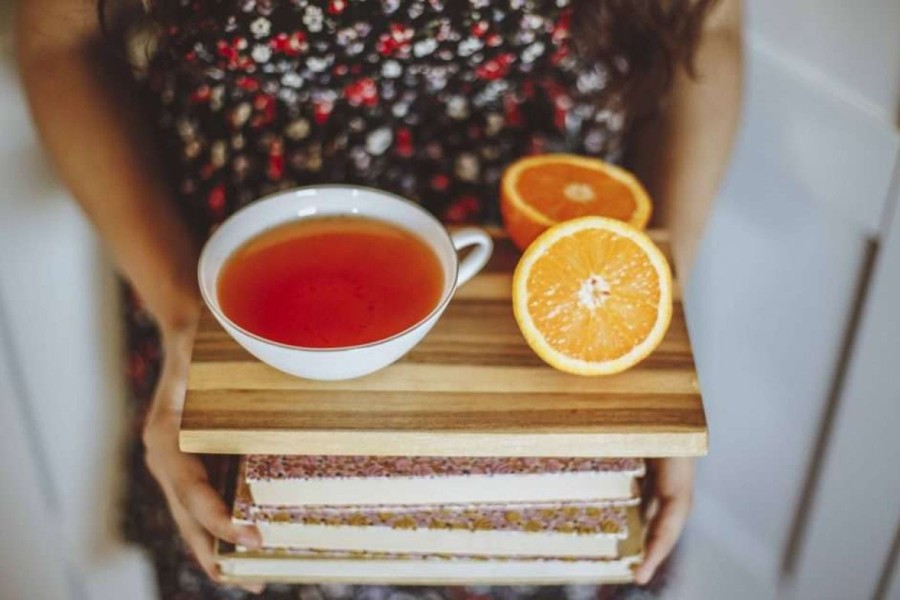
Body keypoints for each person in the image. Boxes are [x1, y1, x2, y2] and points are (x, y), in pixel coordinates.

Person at [16, 0, 742, 597]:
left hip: (552, 284)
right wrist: (182, 314)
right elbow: (57, 38)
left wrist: (649, 329)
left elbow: (711, 27)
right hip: (223, 308)